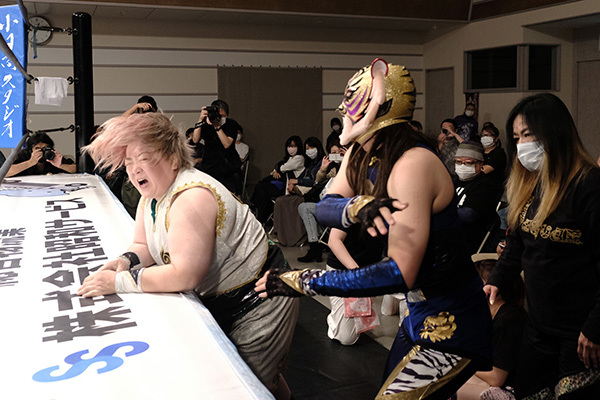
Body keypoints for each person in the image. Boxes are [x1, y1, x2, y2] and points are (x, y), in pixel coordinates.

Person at [256, 58, 492, 399]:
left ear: (379, 109)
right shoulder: (362, 153)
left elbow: (399, 274)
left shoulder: (412, 164)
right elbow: (324, 205)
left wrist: (304, 281)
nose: (346, 118)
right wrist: (354, 208)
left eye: (354, 108)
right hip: (419, 312)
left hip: (453, 320)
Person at [77, 113, 299, 400]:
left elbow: (184, 274)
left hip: (262, 298)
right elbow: (144, 244)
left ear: (172, 158)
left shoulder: (191, 196)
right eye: (129, 162)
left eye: (144, 158)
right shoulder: (152, 195)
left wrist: (119, 282)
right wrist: (126, 260)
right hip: (223, 297)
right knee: (259, 378)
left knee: (248, 385)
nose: (134, 170)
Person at [485, 93, 600, 399]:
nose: (521, 145)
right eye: (516, 138)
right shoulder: (533, 184)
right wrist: (496, 280)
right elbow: (517, 245)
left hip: (580, 332)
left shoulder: (589, 185)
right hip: (538, 325)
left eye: (528, 134)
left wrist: (595, 327)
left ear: (554, 133)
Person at [457, 253, 526, 400]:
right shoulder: (485, 314)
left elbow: (496, 378)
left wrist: (460, 361)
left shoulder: (508, 319)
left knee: (443, 388)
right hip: (493, 384)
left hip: (510, 392)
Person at [325, 225, 386, 346]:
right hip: (343, 270)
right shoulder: (348, 212)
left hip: (370, 271)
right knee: (346, 338)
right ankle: (334, 317)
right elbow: (334, 240)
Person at [296, 142, 344, 262]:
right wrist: (322, 169)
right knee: (304, 207)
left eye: (339, 152)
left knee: (305, 208)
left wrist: (347, 161)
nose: (337, 155)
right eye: (333, 153)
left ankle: (315, 247)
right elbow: (317, 182)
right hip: (327, 203)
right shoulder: (334, 169)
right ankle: (316, 245)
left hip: (340, 207)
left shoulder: (349, 167)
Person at [454, 141, 501, 254]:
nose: (462, 166)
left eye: (469, 163)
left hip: (471, 241)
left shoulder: (485, 185)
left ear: (481, 164)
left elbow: (469, 215)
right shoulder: (453, 181)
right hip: (452, 238)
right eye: (458, 162)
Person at [250, 135, 304, 224]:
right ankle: (261, 218)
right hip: (282, 185)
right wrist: (275, 172)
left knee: (262, 187)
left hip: (289, 189)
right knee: (263, 192)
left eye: (293, 146)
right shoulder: (288, 159)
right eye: (289, 146)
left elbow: (283, 168)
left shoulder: (299, 158)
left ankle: (254, 208)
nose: (291, 149)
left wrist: (277, 169)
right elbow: (275, 171)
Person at [192, 99, 242, 192]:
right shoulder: (206, 123)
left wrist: (217, 126)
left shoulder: (232, 124)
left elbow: (227, 144)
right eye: (217, 115)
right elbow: (195, 139)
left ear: (227, 115)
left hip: (227, 166)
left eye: (222, 116)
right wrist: (200, 119)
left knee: (227, 193)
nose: (219, 118)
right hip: (210, 165)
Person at [6, 132, 76, 177]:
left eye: (45, 148)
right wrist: (30, 162)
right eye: (37, 148)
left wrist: (61, 165)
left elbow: (76, 169)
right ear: (30, 150)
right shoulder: (23, 155)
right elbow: (5, 173)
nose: (42, 151)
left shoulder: (52, 156)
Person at [480, 122, 507, 189]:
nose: (485, 137)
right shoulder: (480, 152)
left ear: (496, 138)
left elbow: (485, 170)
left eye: (488, 135)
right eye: (483, 135)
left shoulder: (499, 153)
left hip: (493, 188)